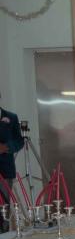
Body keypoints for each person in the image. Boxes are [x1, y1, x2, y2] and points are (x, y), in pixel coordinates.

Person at [0, 98, 22, 230]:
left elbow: (19, 141)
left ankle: (4, 236)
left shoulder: (11, 117)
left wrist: (6, 147)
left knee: (4, 206)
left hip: (5, 170)